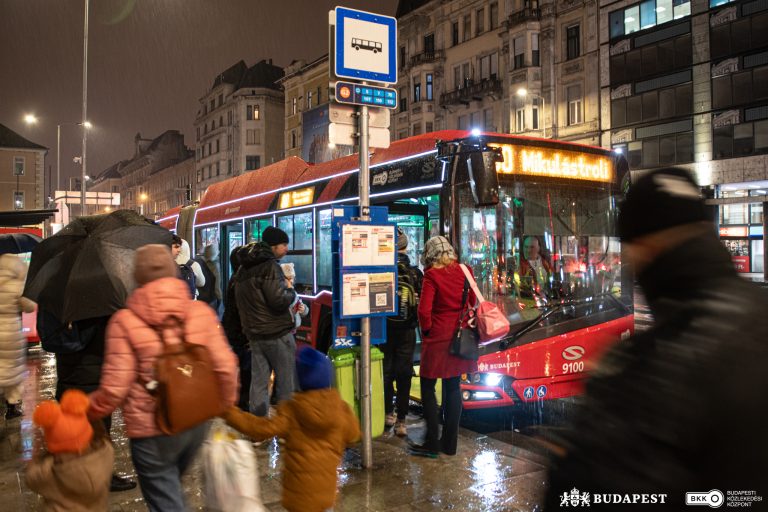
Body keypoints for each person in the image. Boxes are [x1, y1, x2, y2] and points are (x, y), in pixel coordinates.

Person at [544, 168, 768, 507]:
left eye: (629, 245)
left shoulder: (654, 364)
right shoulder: (757, 311)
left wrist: (567, 465)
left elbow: (588, 493)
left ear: (643, 245)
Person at [88, 244, 238, 511]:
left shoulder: (124, 321)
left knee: (165, 497)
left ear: (137, 276)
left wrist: (87, 409)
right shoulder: (201, 312)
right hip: (195, 421)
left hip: (151, 430)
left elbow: (114, 388)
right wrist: (225, 404)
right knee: (172, 489)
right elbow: (226, 366)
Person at [222, 346, 360, 512]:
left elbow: (259, 428)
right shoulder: (341, 409)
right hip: (326, 496)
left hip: (298, 498)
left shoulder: (293, 410)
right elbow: (354, 435)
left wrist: (229, 413)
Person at [409, 236, 477, 458]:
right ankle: (450, 443)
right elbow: (473, 302)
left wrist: (427, 330)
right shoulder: (465, 270)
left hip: (438, 340)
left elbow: (423, 310)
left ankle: (431, 443)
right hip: (460, 338)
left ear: (430, 255)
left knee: (428, 387)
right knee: (453, 387)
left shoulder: (432, 275)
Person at [234, 227, 297, 416]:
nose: (286, 249)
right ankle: (288, 424)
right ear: (273, 246)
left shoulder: (243, 268)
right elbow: (278, 300)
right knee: (287, 382)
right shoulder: (270, 266)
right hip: (276, 332)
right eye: (284, 245)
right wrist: (290, 290)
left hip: (255, 333)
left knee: (259, 381)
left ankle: (258, 425)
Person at [26, 389, 114, 511]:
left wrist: (38, 458)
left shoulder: (50, 474)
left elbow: (31, 479)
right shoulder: (106, 452)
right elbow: (102, 436)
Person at [383, 230, 423, 437]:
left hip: (386, 328)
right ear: (406, 247)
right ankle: (402, 420)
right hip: (407, 330)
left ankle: (388, 413)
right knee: (404, 373)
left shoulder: (383, 270)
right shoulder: (415, 273)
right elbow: (421, 302)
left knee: (387, 371)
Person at [0, 254, 36, 419]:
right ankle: (13, 406)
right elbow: (30, 307)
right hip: (11, 333)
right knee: (12, 369)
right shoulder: (17, 285)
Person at [223, 244, 252, 411]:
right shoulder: (240, 282)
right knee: (245, 371)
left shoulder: (234, 279)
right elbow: (242, 312)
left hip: (233, 332)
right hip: (240, 335)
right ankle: (242, 404)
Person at [518, 235, 552, 300]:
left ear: (538, 248)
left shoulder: (545, 263)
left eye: (532, 247)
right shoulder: (519, 265)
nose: (528, 250)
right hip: (528, 300)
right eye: (526, 247)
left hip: (546, 299)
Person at [280, 262, 308, 333]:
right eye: (289, 278)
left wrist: (303, 309)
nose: (292, 281)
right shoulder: (279, 293)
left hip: (293, 329)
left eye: (293, 278)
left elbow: (299, 307)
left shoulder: (293, 292)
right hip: (284, 330)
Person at [195, 243, 222, 314]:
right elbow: (217, 286)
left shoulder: (197, 262)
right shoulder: (216, 266)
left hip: (200, 297)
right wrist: (220, 298)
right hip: (211, 298)